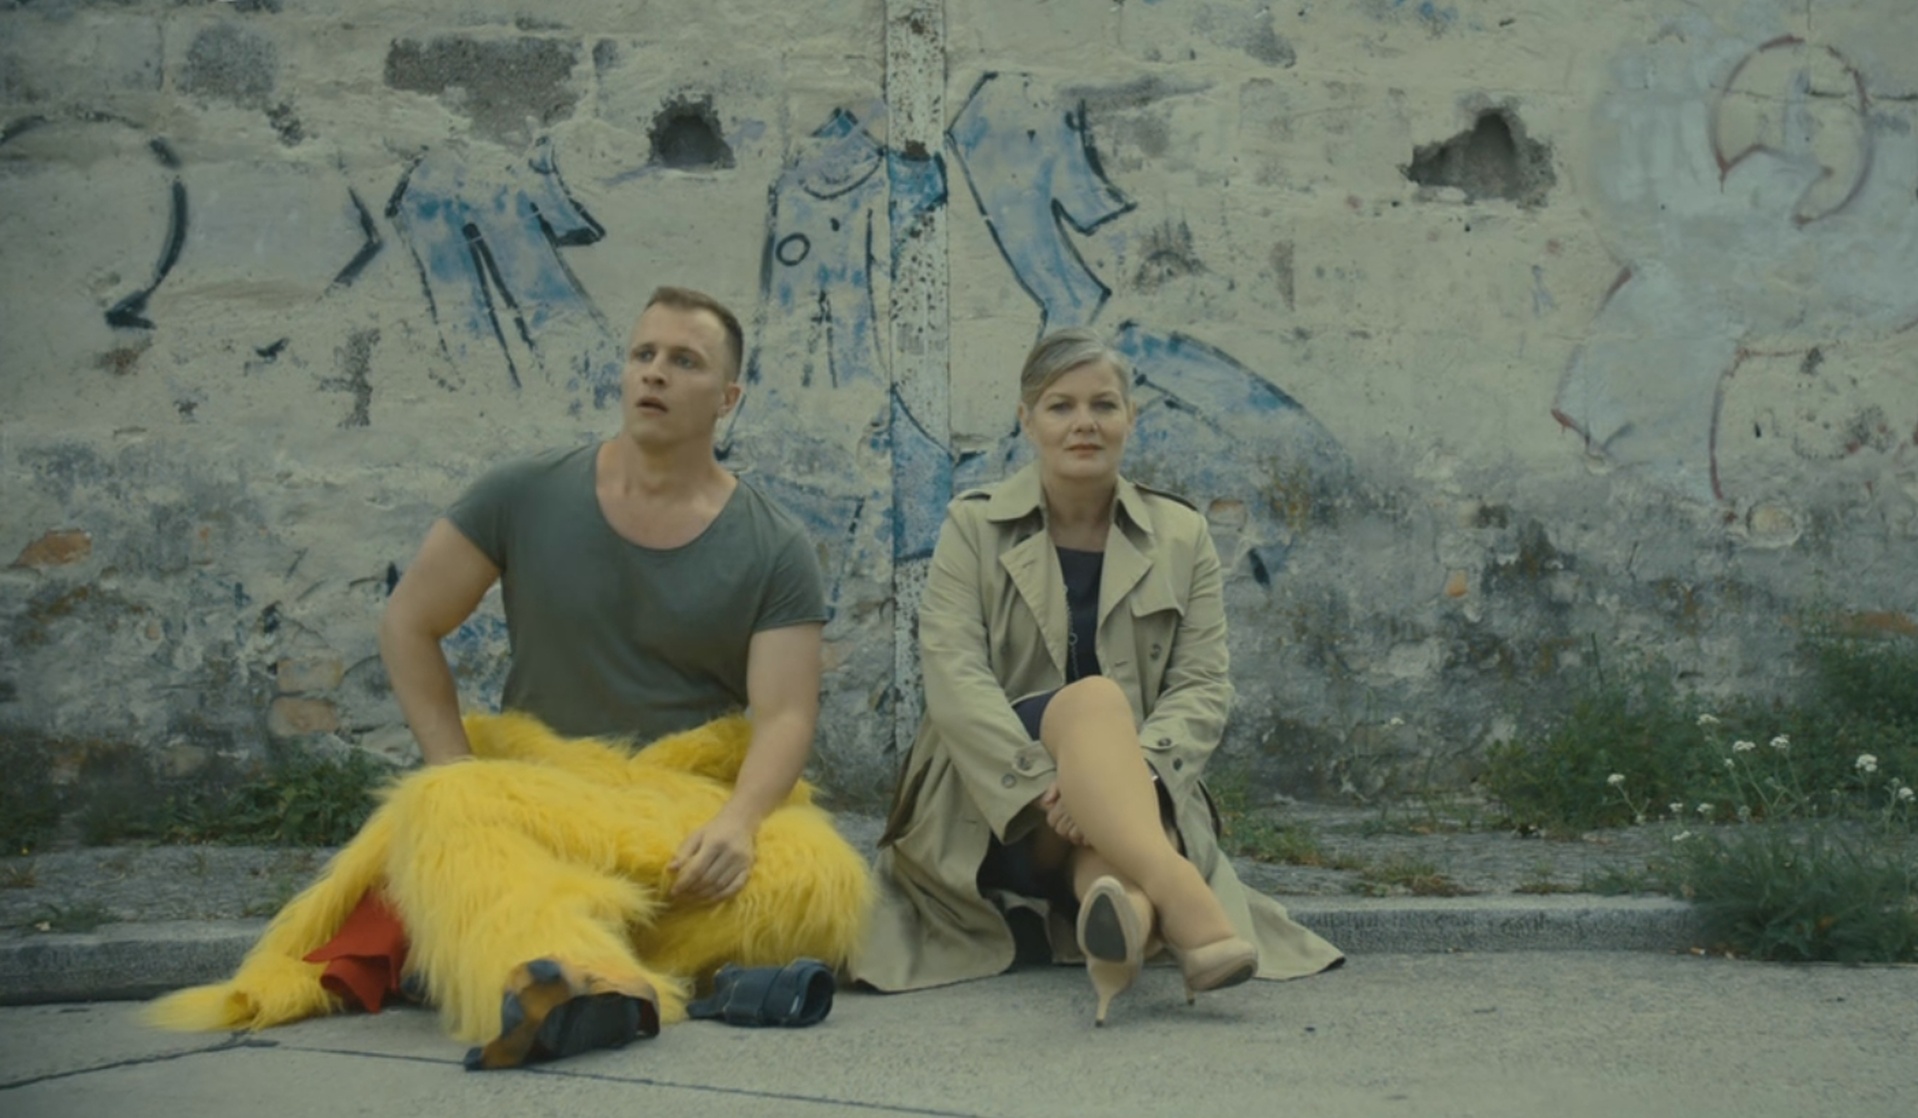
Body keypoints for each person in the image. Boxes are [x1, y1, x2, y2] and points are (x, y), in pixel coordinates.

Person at [854, 328, 1342, 1024]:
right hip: (994, 803)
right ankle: (1185, 899)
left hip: (1131, 788)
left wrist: (1131, 777)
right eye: (1061, 406)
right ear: (1027, 420)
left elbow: (1203, 684)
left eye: (1104, 405)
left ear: (1129, 418)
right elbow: (954, 677)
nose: (1084, 422)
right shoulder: (974, 526)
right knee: (1094, 701)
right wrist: (1041, 784)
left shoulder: (1181, 535)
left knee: (1108, 834)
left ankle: (1126, 917)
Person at [378, 285, 829, 904]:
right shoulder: (522, 493)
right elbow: (408, 622)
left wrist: (738, 823)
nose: (655, 373)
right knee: (467, 877)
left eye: (685, 361)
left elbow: (786, 716)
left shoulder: (775, 545)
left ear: (728, 399)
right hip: (536, 795)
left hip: (680, 810)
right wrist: (457, 777)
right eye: (643, 354)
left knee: (816, 879)